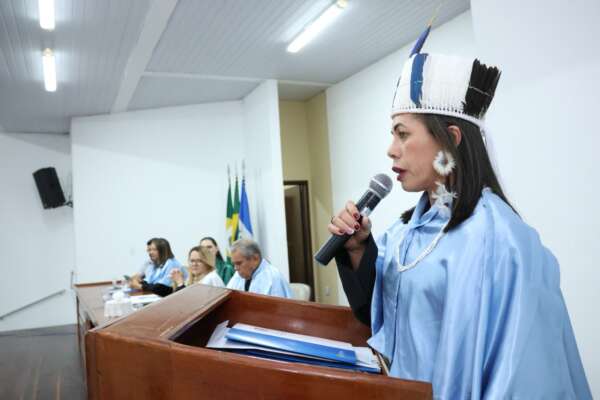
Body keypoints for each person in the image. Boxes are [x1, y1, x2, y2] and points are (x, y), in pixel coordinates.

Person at [328, 27, 591, 399]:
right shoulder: (405, 233)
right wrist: (358, 249)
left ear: (450, 140)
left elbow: (526, 373)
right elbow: (380, 313)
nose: (391, 149)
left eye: (403, 134)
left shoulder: (503, 240)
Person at [226, 239, 292, 298]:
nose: (235, 268)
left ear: (255, 258)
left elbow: (280, 306)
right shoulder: (238, 275)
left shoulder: (273, 278)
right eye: (234, 264)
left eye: (239, 263)